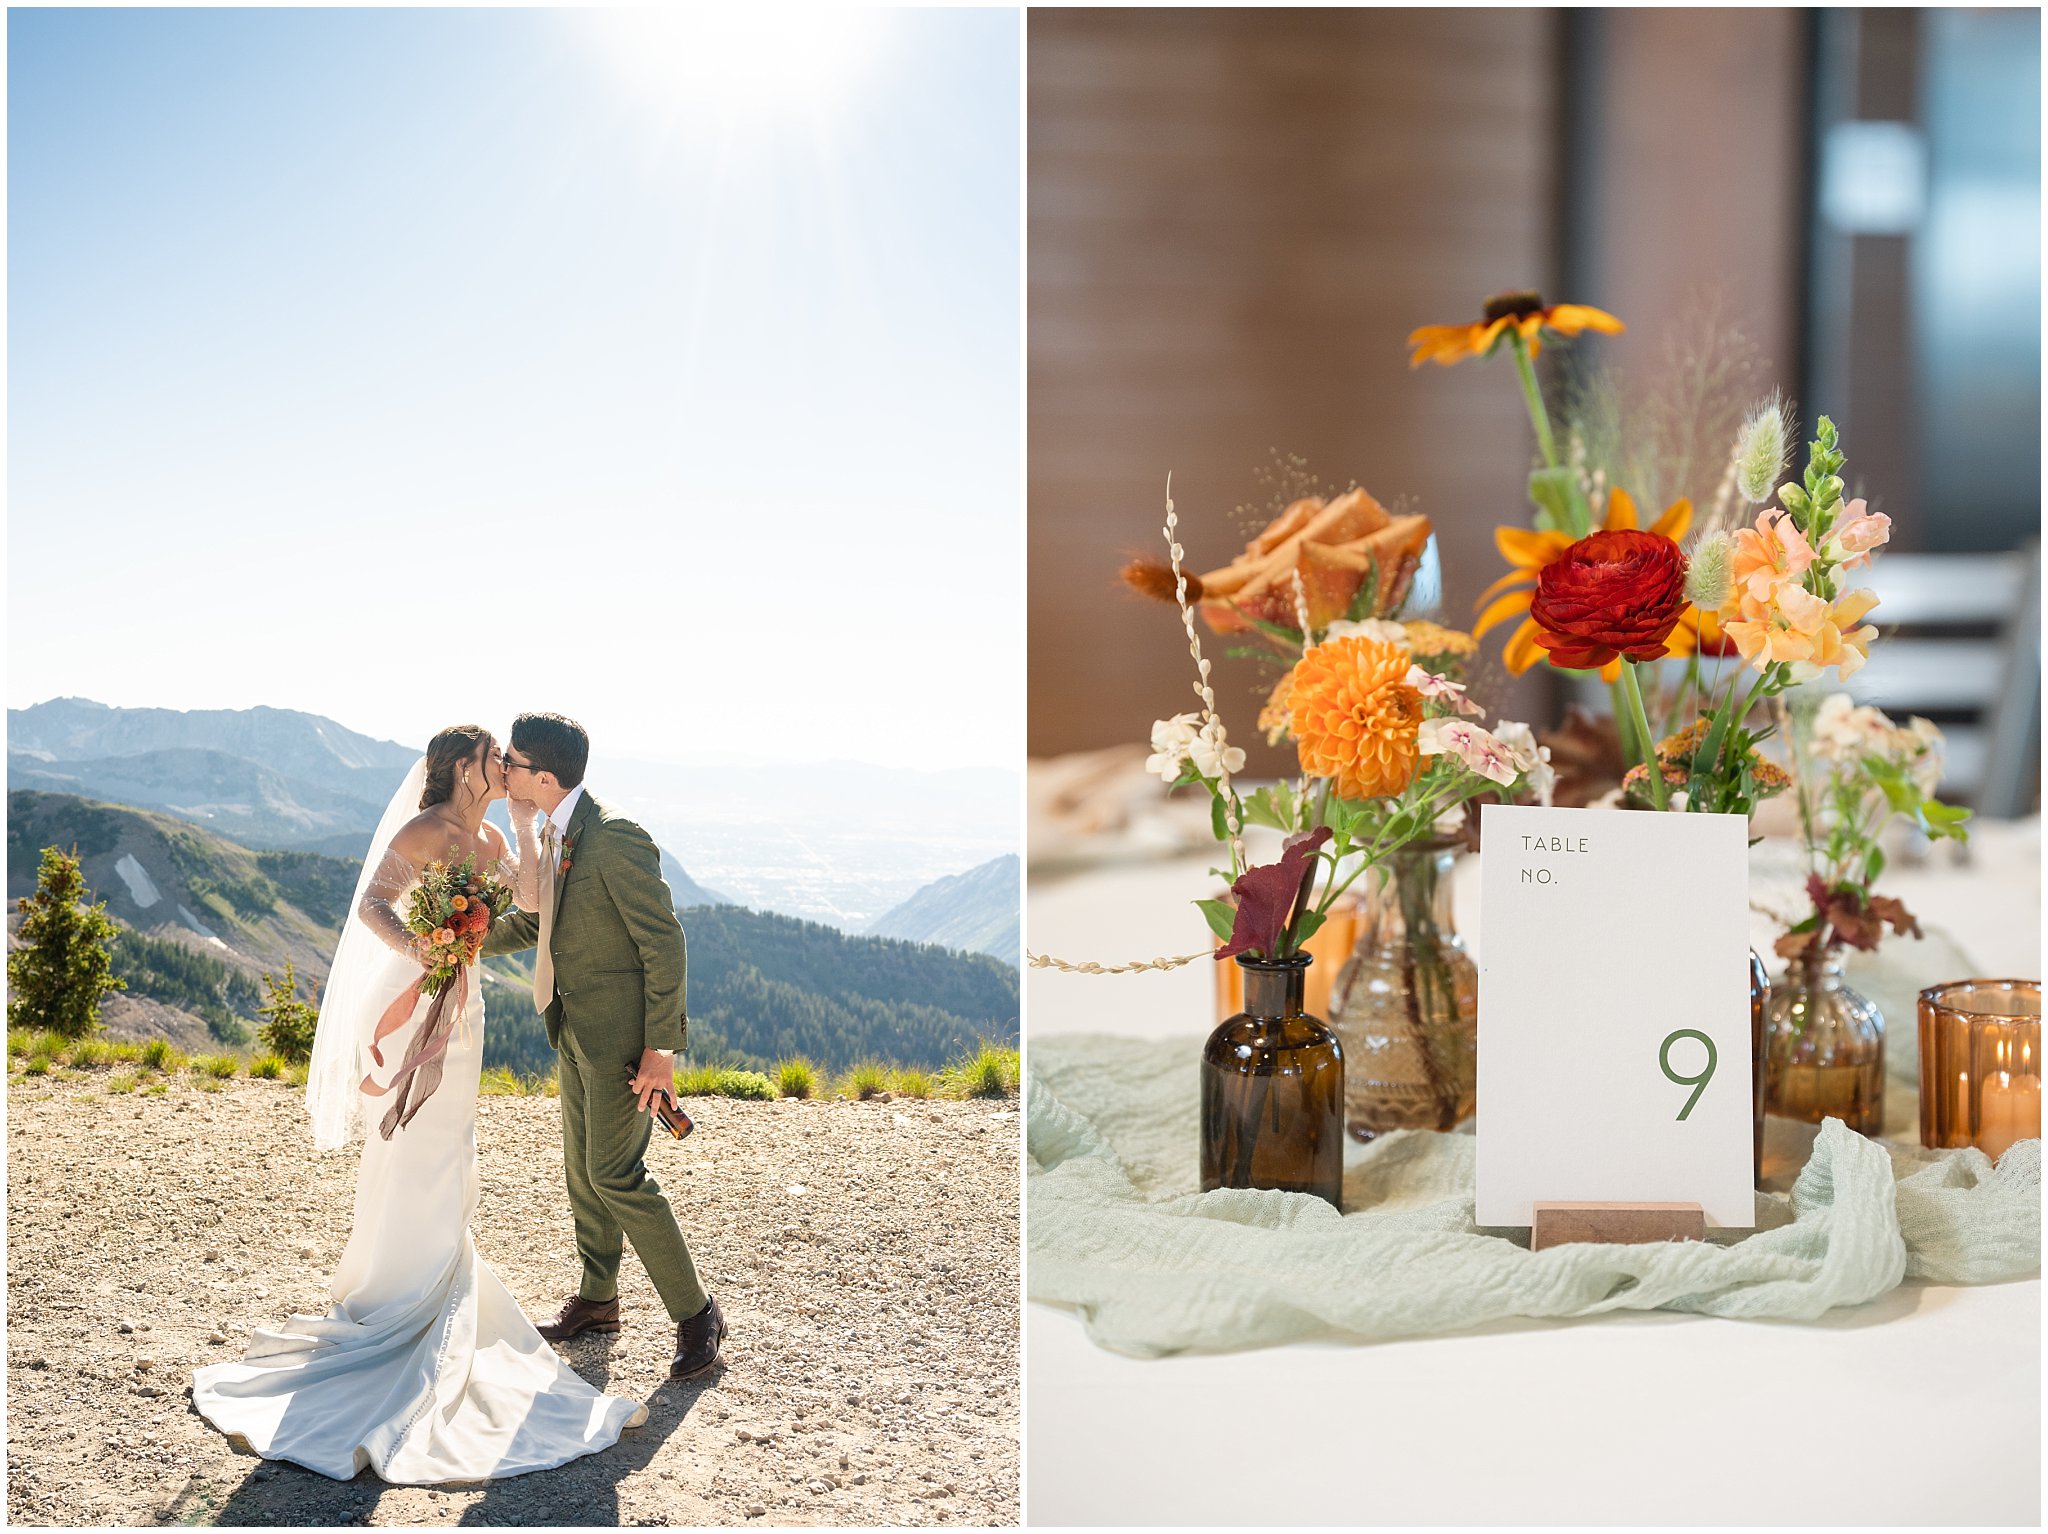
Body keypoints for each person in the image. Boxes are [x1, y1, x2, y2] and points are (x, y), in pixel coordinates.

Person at [192, 725, 646, 1483]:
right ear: (468, 766)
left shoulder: (499, 831)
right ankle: (401, 1293)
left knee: (451, 1147)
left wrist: (530, 830)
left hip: (462, 1012)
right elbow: (374, 903)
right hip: (411, 1001)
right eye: (498, 758)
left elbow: (531, 901)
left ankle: (439, 1287)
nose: (508, 767)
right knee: (412, 1147)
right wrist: (424, 949)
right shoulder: (426, 830)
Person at [483, 711, 725, 1381]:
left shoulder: (615, 837)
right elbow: (543, 919)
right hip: (575, 1030)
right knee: (582, 1173)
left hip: (624, 1040)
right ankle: (598, 1301)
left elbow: (663, 942)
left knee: (616, 1176)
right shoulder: (561, 830)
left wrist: (662, 1049)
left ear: (546, 777)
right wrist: (466, 939)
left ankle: (698, 1313)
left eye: (513, 761)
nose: (505, 770)